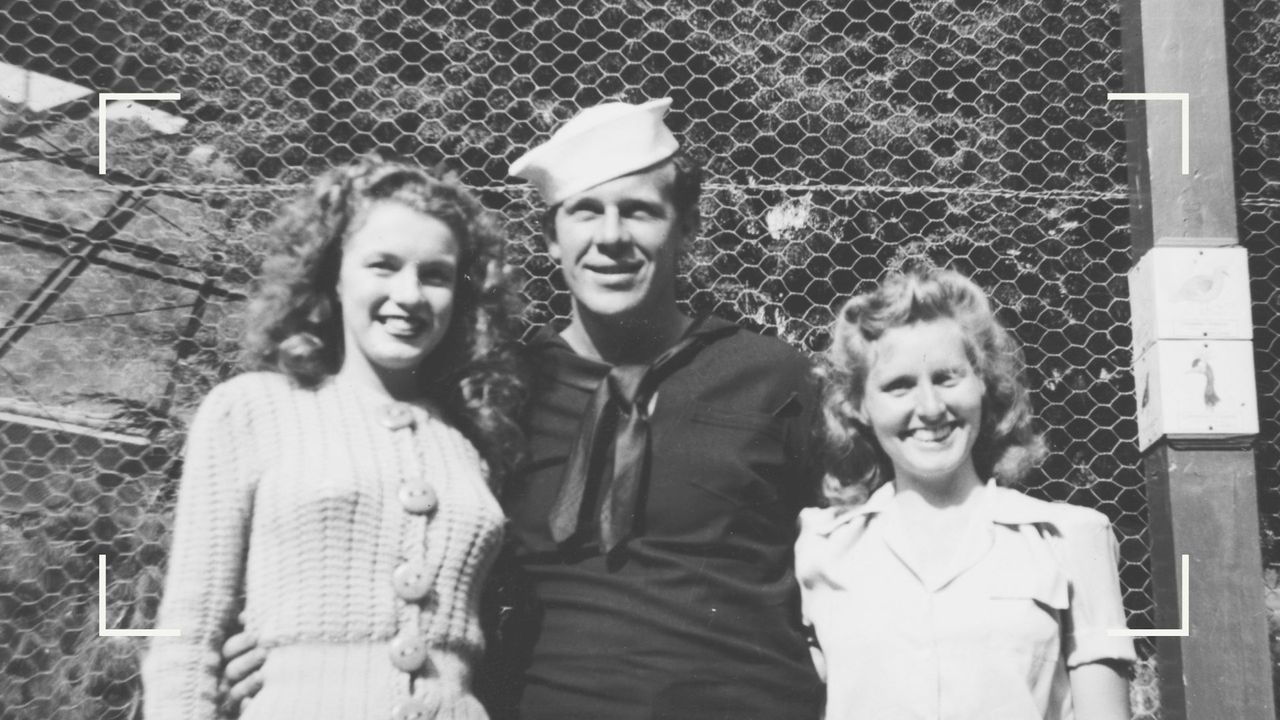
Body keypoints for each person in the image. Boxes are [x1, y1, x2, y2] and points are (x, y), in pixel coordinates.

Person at [221, 98, 826, 720]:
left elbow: (872, 542)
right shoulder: (491, 389)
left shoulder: (773, 377)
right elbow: (383, 530)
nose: (610, 237)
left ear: (685, 228)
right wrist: (287, 644)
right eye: (584, 212)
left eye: (640, 212)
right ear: (550, 238)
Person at [141, 157, 525, 720]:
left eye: (436, 275)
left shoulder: (472, 441)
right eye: (383, 265)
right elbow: (186, 635)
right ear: (335, 275)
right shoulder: (252, 409)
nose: (410, 294)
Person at [797, 267, 1135, 720]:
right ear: (859, 404)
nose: (931, 408)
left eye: (946, 377)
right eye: (899, 386)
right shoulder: (819, 547)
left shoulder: (1070, 538)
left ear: (984, 382)